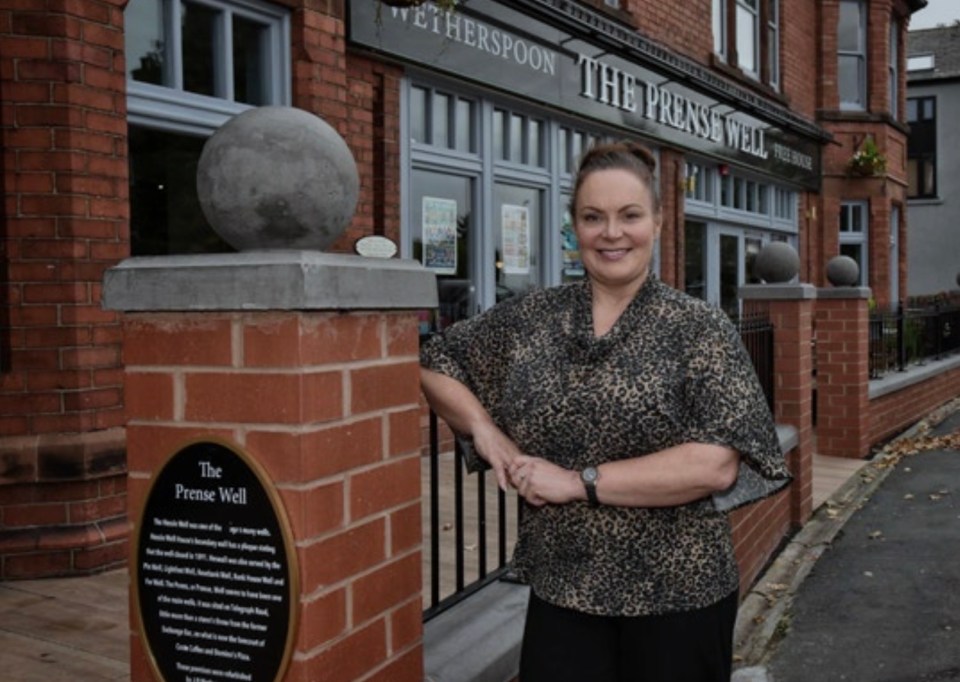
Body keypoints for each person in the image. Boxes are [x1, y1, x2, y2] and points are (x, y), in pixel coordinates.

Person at [419, 140, 792, 682]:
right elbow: (435, 360)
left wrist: (575, 482)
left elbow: (714, 465)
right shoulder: (533, 318)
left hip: (678, 597)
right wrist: (486, 434)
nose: (611, 233)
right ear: (574, 226)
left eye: (629, 215)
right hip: (563, 589)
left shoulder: (698, 328)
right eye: (594, 217)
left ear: (659, 222)